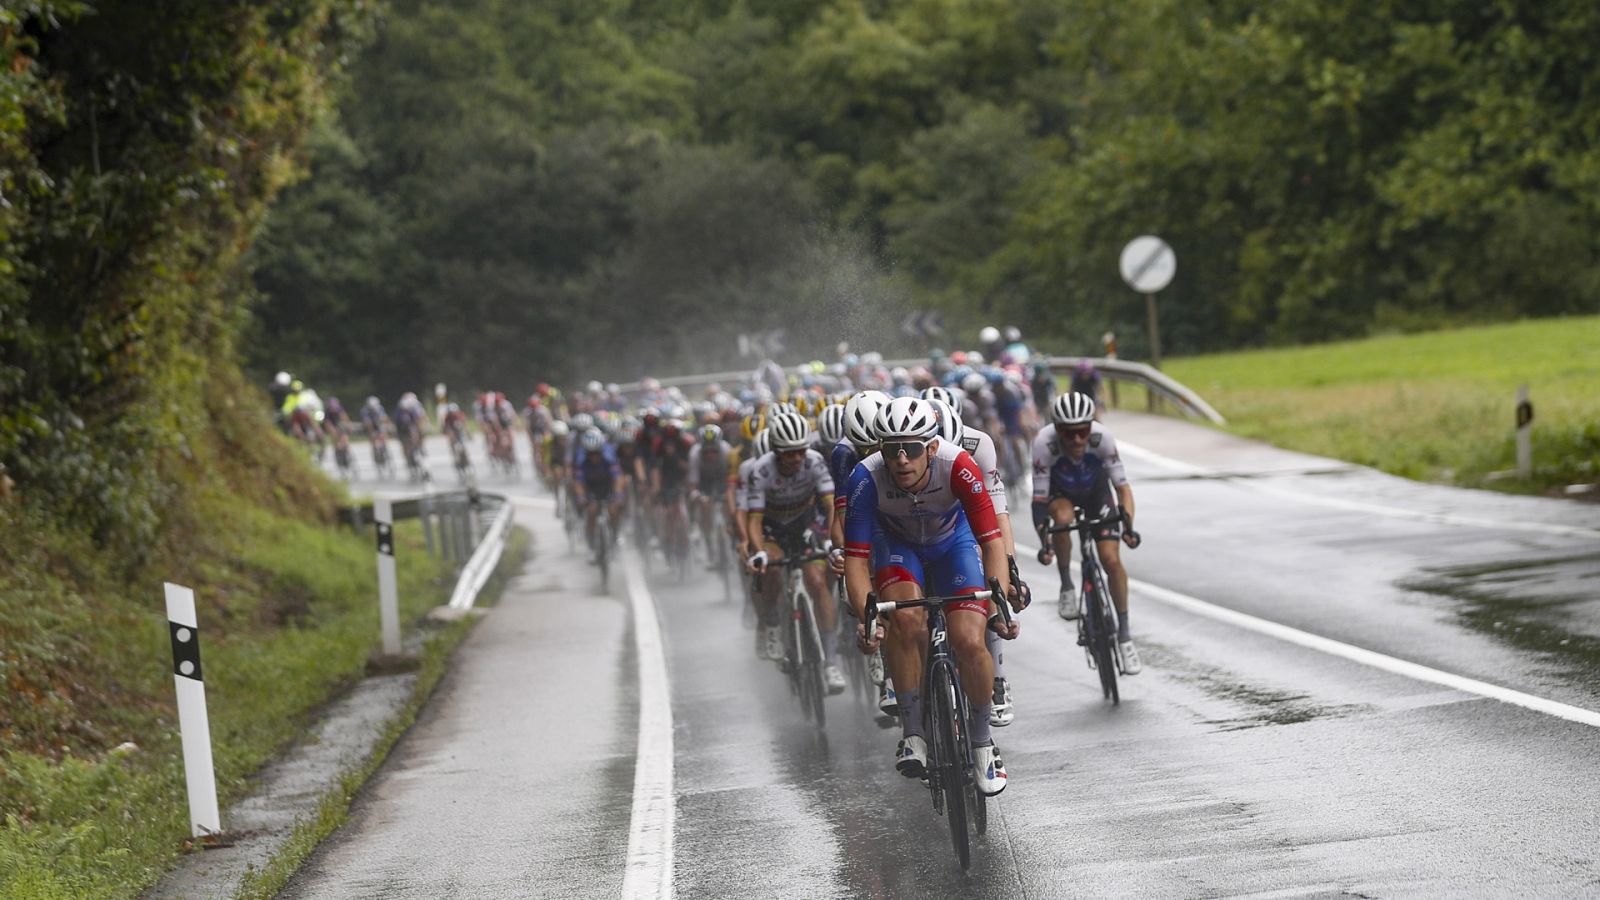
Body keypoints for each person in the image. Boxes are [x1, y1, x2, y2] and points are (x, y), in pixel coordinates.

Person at [843, 397, 1019, 796]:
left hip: (952, 545)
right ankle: (914, 731)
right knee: (905, 622)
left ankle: (981, 742)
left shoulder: (958, 465)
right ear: (879, 449)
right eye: (892, 449)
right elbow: (855, 560)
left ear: (933, 447)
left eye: (913, 448)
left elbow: (991, 542)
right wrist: (868, 618)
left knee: (970, 640)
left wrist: (999, 603)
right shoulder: (864, 478)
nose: (902, 459)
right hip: (898, 546)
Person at [1032, 392, 1142, 673]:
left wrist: (1128, 526)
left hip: (1096, 494)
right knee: (1063, 518)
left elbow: (1123, 488)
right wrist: (1045, 543)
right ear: (1057, 430)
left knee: (1111, 560)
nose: (1078, 440)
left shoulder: (1102, 438)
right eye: (1070, 434)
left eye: (1083, 431)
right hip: (1061, 494)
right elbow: (1040, 501)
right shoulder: (1044, 444)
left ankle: (1125, 634)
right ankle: (1067, 583)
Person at [745, 412, 843, 693]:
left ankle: (831, 661)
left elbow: (831, 505)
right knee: (772, 567)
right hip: (772, 527)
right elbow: (754, 520)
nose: (797, 458)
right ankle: (773, 622)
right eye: (789, 454)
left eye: (801, 451)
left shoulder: (814, 461)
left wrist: (833, 539)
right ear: (776, 452)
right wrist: (758, 551)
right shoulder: (761, 470)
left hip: (804, 524)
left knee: (817, 581)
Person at [572, 427, 625, 558]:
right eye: (591, 454)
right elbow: (578, 482)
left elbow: (618, 478)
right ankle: (591, 542)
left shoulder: (609, 457)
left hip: (607, 485)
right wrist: (580, 497)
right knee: (591, 511)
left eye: (597, 453)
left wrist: (618, 495)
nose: (594, 456)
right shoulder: (581, 460)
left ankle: (615, 535)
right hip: (590, 487)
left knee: (613, 510)